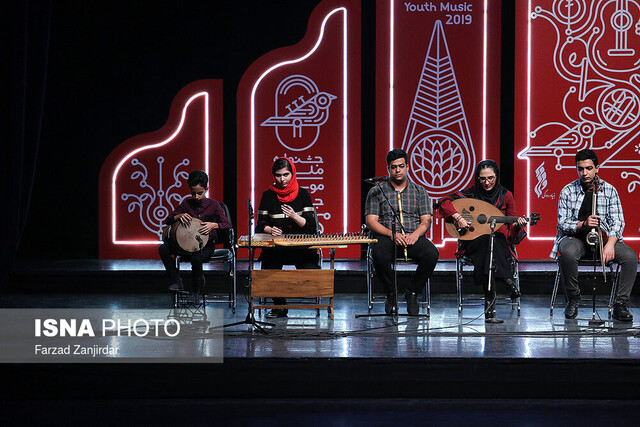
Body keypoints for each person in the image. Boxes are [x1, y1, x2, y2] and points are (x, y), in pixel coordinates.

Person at [436, 160, 527, 323]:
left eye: (490, 178)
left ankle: (490, 306)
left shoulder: (506, 195)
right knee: (486, 241)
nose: (487, 182)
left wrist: (517, 225)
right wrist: (458, 217)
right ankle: (507, 281)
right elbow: (443, 202)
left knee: (491, 242)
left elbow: (511, 228)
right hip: (473, 243)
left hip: (499, 244)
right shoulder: (470, 194)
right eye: (483, 179)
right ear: (477, 179)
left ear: (497, 177)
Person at [551, 149, 636, 321]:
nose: (584, 173)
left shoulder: (610, 190)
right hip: (576, 239)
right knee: (567, 252)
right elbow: (563, 222)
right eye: (581, 169)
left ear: (597, 168)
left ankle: (620, 304)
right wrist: (583, 224)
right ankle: (573, 298)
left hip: (604, 239)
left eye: (589, 168)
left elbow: (618, 222)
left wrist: (611, 243)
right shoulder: (568, 191)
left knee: (630, 257)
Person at [365, 148, 439, 315]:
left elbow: (426, 220)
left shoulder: (419, 191)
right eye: (393, 167)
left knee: (432, 254)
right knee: (378, 254)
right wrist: (392, 234)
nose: (397, 170)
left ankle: (412, 292)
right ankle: (391, 293)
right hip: (388, 236)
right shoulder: (377, 191)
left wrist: (415, 235)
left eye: (401, 166)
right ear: (388, 169)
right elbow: (371, 221)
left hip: (413, 236)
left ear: (407, 167)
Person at [256, 157, 320, 318]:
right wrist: (270, 229)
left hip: (300, 247)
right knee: (270, 267)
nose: (282, 179)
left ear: (293, 174)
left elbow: (312, 227)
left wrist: (293, 216)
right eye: (278, 175)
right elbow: (259, 225)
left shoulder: (303, 194)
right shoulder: (267, 196)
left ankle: (322, 304)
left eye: (286, 175)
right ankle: (279, 306)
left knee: (312, 273)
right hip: (277, 247)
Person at [158, 170, 231, 302]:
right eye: (193, 193)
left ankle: (195, 292)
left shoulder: (213, 205)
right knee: (163, 249)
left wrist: (213, 225)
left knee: (196, 256)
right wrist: (178, 216)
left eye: (199, 193)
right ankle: (177, 280)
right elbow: (168, 220)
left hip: (205, 246)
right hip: (185, 245)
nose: (196, 197)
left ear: (207, 189)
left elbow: (227, 224)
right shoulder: (186, 204)